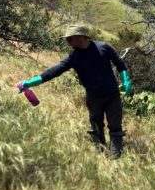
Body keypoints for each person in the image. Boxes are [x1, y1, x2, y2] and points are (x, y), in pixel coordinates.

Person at [18, 25, 133, 159]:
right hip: (93, 97)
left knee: (115, 126)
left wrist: (126, 80)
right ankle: (100, 155)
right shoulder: (74, 57)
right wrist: (30, 82)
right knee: (96, 126)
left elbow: (120, 64)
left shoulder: (104, 47)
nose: (69, 42)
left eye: (70, 39)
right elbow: (54, 71)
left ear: (79, 37)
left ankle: (115, 158)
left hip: (112, 95)